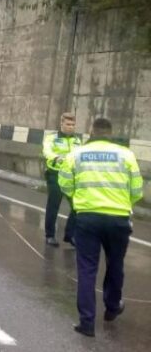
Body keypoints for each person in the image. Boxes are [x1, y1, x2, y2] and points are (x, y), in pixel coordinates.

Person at [58, 118, 142, 338]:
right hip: (118, 218)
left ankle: (86, 323)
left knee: (87, 269)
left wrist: (78, 200)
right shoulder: (126, 155)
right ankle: (112, 307)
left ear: (91, 132)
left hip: (87, 217)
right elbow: (137, 190)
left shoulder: (76, 154)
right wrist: (124, 204)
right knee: (115, 265)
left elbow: (65, 183)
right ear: (111, 133)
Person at [42, 112, 81, 247]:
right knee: (54, 205)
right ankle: (50, 235)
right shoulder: (52, 138)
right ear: (62, 124)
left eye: (73, 125)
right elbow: (47, 151)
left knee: (77, 205)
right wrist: (56, 157)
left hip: (71, 176)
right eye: (68, 124)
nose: (70, 127)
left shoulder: (77, 140)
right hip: (55, 174)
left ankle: (70, 235)